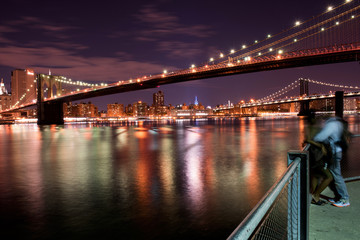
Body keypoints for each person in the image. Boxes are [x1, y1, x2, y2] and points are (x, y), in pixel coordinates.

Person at [313, 116, 350, 207]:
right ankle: (339, 197)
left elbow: (320, 137)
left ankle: (345, 199)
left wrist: (313, 139)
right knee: (333, 175)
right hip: (338, 151)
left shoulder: (331, 124)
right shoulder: (339, 124)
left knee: (337, 177)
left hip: (334, 153)